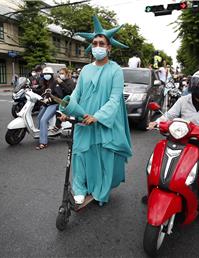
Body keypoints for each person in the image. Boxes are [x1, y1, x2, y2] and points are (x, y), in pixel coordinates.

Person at [60, 16, 133, 205]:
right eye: (95, 43)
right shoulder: (85, 70)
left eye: (102, 43)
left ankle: (100, 189)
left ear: (109, 47)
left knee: (103, 158)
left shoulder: (116, 70)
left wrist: (98, 117)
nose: (97, 46)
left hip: (103, 121)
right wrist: (68, 110)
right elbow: (77, 93)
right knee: (80, 154)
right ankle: (80, 188)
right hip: (83, 118)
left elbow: (115, 99)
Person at [148, 69, 199, 232]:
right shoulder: (183, 100)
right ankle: (157, 191)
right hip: (179, 137)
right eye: (194, 83)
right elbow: (168, 116)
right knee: (157, 166)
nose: (196, 87)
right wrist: (156, 122)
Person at [35, 66, 65, 150]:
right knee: (39, 117)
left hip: (55, 104)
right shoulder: (45, 83)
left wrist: (50, 99)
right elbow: (42, 92)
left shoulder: (55, 83)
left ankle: (43, 142)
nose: (46, 75)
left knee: (43, 120)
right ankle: (43, 133)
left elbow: (60, 96)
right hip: (47, 104)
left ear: (51, 75)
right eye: (45, 74)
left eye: (48, 74)